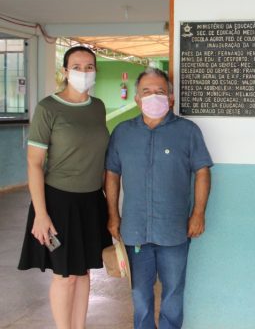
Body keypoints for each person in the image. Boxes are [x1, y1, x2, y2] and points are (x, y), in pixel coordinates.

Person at [104, 68, 212, 329]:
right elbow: (112, 174)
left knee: (173, 292)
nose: (153, 96)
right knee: (140, 295)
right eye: (146, 92)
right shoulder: (122, 132)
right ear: (137, 99)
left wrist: (198, 214)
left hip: (174, 230)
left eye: (160, 92)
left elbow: (202, 171)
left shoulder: (188, 131)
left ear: (171, 98)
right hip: (135, 230)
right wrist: (113, 216)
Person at [18, 46, 112, 329]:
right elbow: (34, 163)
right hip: (58, 203)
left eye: (89, 67)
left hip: (91, 201)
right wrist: (41, 214)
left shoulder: (97, 107)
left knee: (83, 273)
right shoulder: (48, 108)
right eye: (77, 67)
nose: (84, 72)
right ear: (65, 71)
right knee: (65, 275)